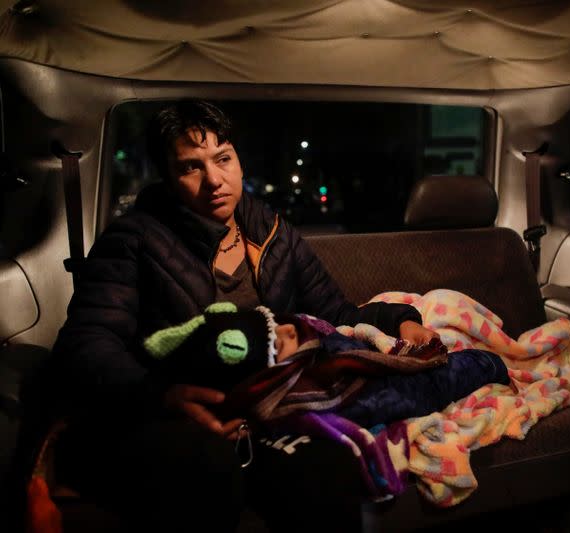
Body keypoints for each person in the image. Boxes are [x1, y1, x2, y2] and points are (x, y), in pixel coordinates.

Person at [48, 99, 439, 532]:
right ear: (168, 176)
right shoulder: (134, 239)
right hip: (171, 410)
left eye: (223, 159)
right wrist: (160, 396)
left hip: (262, 410)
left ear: (238, 160)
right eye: (191, 167)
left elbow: (336, 313)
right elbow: (87, 344)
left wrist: (398, 319)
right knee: (207, 469)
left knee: (328, 467)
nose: (214, 180)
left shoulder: (274, 233)